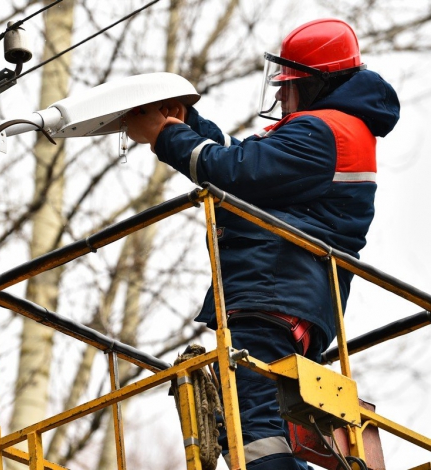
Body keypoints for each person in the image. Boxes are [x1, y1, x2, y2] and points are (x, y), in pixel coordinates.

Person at [125, 18, 400, 470]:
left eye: (288, 86)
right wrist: (186, 122)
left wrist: (166, 134)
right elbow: (243, 160)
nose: (278, 95)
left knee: (255, 429)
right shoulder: (331, 131)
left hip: (273, 291)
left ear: (315, 84)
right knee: (271, 423)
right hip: (290, 296)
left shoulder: (322, 132)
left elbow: (234, 172)